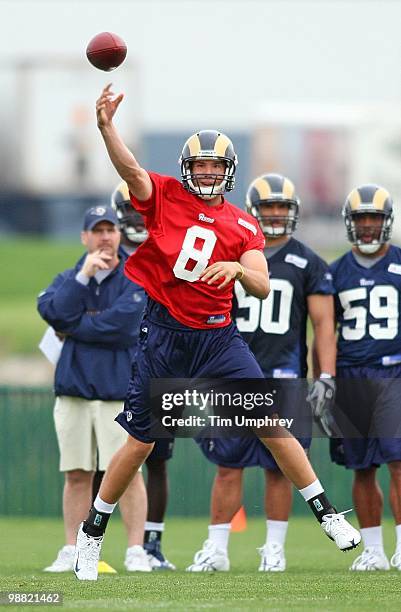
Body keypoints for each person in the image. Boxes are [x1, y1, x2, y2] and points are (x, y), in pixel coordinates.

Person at [73, 83, 360, 581]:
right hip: (163, 333)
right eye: (199, 164)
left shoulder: (243, 225)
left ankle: (327, 514)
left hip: (218, 339)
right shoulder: (163, 197)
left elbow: (263, 284)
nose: (206, 172)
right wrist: (106, 128)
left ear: (228, 173)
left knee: (271, 424)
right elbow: (131, 170)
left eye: (215, 166)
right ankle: (91, 531)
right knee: (139, 442)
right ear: (188, 168)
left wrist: (237, 269)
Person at [187, 173, 337, 571]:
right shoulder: (228, 247)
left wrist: (326, 376)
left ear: (293, 213)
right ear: (253, 211)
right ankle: (217, 548)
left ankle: (274, 549)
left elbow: (323, 325)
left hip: (283, 374)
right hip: (231, 371)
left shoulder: (308, 261)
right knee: (228, 465)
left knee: (278, 468)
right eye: (268, 207)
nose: (274, 214)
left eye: (281, 208)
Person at [38, 205, 151, 573]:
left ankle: (136, 550)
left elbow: (122, 326)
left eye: (110, 230)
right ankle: (71, 549)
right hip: (73, 392)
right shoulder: (71, 276)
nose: (105, 237)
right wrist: (84, 278)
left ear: (119, 235)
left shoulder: (134, 277)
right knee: (76, 473)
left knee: (128, 474)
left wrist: (75, 325)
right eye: (97, 230)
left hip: (118, 394)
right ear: (85, 237)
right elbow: (53, 312)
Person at [329, 184, 401, 571]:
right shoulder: (336, 271)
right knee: (361, 466)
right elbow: (325, 330)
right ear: (350, 223)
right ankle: (373, 550)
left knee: (399, 460)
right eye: (361, 218)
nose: (369, 226)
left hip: (394, 371)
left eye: (375, 218)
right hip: (351, 377)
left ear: (386, 222)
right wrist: (324, 377)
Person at [111, 182, 175, 570]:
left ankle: (151, 542)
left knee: (157, 458)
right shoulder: (106, 259)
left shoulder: (168, 252)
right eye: (129, 211)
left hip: (159, 366)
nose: (136, 218)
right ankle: (93, 541)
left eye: (141, 211)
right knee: (110, 458)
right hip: (114, 372)